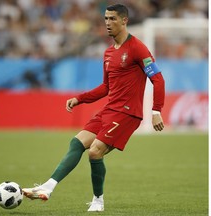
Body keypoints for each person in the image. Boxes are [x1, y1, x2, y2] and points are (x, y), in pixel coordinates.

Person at [23, 4, 165, 212]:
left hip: (127, 113)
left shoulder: (137, 48)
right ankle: (48, 187)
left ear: (124, 21)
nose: (108, 23)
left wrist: (156, 111)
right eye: (106, 18)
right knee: (76, 142)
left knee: (95, 151)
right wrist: (80, 98)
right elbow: (106, 87)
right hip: (109, 110)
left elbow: (158, 79)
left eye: (113, 19)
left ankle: (98, 201)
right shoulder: (108, 53)